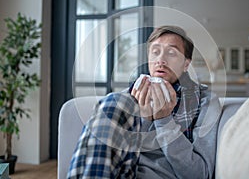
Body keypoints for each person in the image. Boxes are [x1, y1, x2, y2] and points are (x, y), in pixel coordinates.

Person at [67, 25, 222, 179]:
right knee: (112, 102)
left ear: (186, 64)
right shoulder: (125, 100)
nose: (160, 60)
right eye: (155, 52)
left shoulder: (204, 101)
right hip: (118, 172)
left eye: (171, 53)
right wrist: (144, 118)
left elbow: (200, 174)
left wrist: (164, 121)